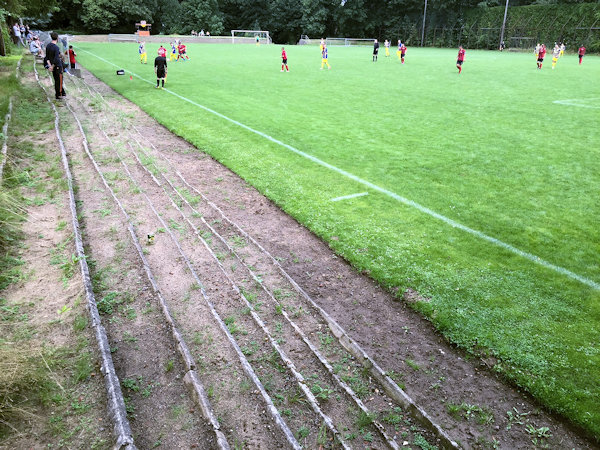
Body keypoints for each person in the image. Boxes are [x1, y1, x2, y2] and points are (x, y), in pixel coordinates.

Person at [44, 32, 66, 100]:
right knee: (59, 80)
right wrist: (52, 66)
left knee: (57, 80)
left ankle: (62, 92)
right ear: (57, 38)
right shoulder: (56, 47)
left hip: (52, 66)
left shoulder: (48, 46)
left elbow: (47, 57)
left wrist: (49, 66)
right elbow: (56, 59)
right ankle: (59, 95)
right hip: (57, 66)